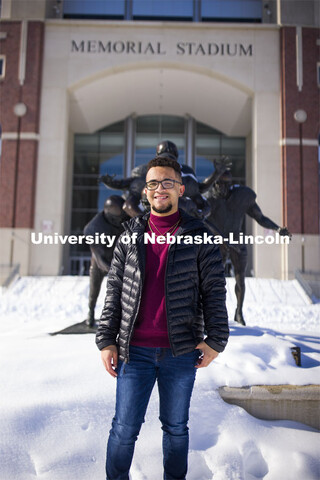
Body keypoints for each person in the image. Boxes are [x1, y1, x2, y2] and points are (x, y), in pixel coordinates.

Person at [96, 155, 229, 480]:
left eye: (167, 182)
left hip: (180, 352)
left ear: (180, 189)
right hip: (134, 351)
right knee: (124, 429)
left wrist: (216, 340)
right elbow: (114, 288)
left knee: (176, 429)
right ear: (145, 191)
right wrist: (106, 340)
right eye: (153, 183)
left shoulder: (199, 234)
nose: (159, 189)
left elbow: (214, 289)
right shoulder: (129, 235)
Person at [206, 169, 291, 326]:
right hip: (217, 243)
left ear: (230, 185)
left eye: (224, 184)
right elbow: (202, 221)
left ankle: (239, 311)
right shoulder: (210, 200)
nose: (221, 187)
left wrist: (277, 228)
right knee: (215, 280)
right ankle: (215, 313)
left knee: (240, 279)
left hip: (236, 240)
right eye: (218, 183)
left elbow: (260, 217)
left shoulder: (241, 197)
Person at [83, 196, 129, 327]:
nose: (122, 219)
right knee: (94, 288)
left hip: (119, 258)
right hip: (100, 262)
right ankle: (91, 311)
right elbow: (100, 259)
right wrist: (116, 271)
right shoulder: (93, 229)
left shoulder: (124, 217)